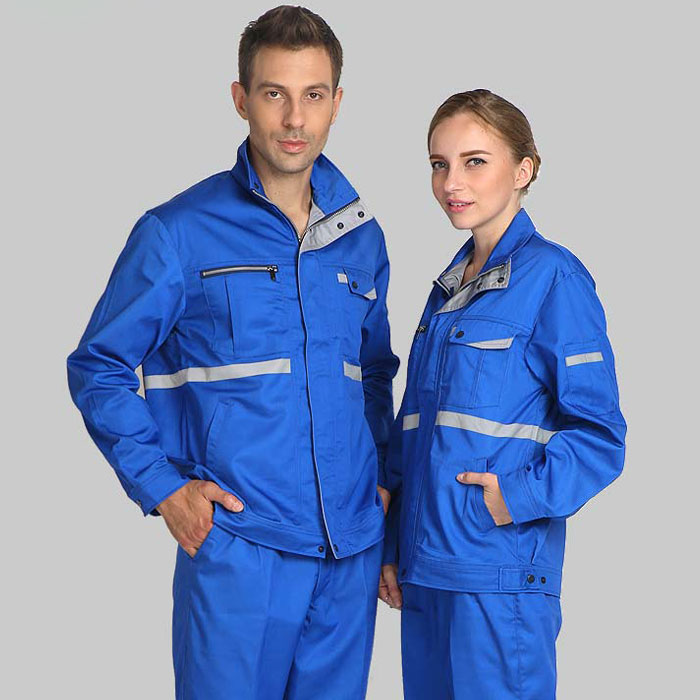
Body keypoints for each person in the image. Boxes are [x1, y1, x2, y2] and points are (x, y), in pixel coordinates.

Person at [66, 6, 399, 699]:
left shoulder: (360, 237)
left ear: (338, 103)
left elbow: (372, 374)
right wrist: (163, 488)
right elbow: (98, 366)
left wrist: (380, 479)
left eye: (313, 95)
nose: (295, 119)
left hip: (349, 556)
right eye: (275, 93)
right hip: (241, 552)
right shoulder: (178, 232)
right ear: (241, 99)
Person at [378, 89, 626, 699]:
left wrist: (514, 498)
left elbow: (601, 436)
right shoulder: (446, 292)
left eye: (475, 161)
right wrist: (394, 545)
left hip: (499, 574)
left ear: (523, 170)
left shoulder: (555, 278)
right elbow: (415, 431)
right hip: (427, 571)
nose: (451, 183)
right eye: (439, 164)